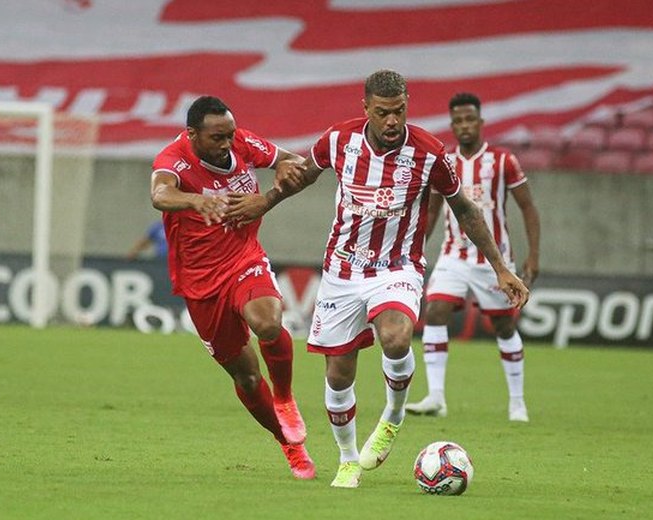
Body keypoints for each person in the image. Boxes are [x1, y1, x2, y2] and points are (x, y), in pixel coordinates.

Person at [225, 70, 529, 488]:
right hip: (342, 271)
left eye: (400, 111)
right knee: (338, 374)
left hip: (397, 266)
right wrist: (265, 201)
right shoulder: (337, 140)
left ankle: (393, 414)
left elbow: (465, 210)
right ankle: (348, 459)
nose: (392, 121)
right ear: (365, 108)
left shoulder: (429, 153)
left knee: (396, 338)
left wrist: (500, 267)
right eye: (383, 112)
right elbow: (300, 176)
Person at [150, 95, 315, 479]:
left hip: (244, 258)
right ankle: (289, 445)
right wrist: (195, 200)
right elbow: (160, 193)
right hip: (200, 282)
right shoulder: (173, 160)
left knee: (269, 324)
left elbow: (302, 165)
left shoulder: (242, 142)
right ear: (192, 135)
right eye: (217, 138)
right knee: (246, 376)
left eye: (230, 135)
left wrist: (276, 189)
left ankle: (286, 397)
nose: (226, 144)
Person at [405, 92, 541, 422]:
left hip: (493, 259)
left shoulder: (502, 161)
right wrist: (414, 250)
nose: (464, 126)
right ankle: (436, 397)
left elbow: (527, 207)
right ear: (452, 125)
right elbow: (433, 209)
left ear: (480, 123)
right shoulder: (445, 161)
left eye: (470, 120)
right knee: (435, 311)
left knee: (504, 324)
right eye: (458, 121)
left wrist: (533, 256)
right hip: (453, 254)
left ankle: (517, 402)